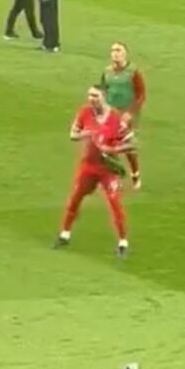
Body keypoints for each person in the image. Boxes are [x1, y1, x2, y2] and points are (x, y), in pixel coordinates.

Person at [55, 85, 134, 258]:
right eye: (90, 95)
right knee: (75, 198)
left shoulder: (115, 118)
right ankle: (64, 234)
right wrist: (87, 133)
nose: (91, 99)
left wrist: (112, 150)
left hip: (107, 168)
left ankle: (123, 242)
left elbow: (130, 143)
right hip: (88, 166)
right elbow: (73, 135)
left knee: (115, 202)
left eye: (95, 96)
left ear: (104, 96)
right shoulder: (84, 113)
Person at [100, 42, 146, 189]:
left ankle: (135, 174)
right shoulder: (107, 72)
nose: (115, 53)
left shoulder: (133, 72)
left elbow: (141, 94)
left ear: (125, 53)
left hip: (128, 113)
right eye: (113, 50)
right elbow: (103, 91)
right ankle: (116, 177)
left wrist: (130, 113)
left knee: (127, 146)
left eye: (118, 50)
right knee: (108, 146)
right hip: (111, 113)